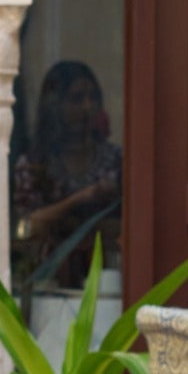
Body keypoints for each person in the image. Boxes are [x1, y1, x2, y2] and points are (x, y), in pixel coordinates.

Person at [11, 59, 122, 274]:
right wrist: (83, 198)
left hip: (108, 276)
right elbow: (30, 225)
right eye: (76, 99)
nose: (88, 107)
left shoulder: (117, 160)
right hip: (47, 278)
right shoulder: (34, 164)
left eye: (93, 98)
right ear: (54, 105)